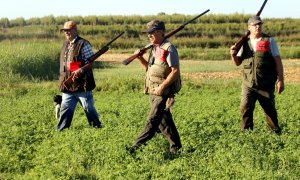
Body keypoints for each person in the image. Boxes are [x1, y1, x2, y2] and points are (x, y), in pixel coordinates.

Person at [128, 20, 182, 153]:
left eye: (151, 33)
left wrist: (162, 88)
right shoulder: (154, 48)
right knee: (164, 121)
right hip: (153, 90)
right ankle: (176, 148)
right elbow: (150, 68)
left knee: (152, 121)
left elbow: (175, 71)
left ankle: (135, 147)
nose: (149, 35)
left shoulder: (169, 48)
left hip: (161, 91)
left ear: (160, 32)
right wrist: (140, 58)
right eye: (148, 33)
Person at [230, 16, 284, 134]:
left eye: (259, 24)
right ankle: (247, 134)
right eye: (255, 25)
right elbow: (237, 63)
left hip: (265, 84)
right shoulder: (244, 42)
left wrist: (281, 80)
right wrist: (233, 54)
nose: (258, 26)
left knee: (269, 111)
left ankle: (275, 134)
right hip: (248, 84)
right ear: (249, 27)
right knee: (245, 107)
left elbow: (278, 60)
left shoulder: (269, 40)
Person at [56, 20, 102, 131]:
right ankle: (61, 132)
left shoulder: (83, 44)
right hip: (68, 84)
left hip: (82, 85)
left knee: (88, 108)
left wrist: (81, 70)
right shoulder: (65, 44)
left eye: (69, 30)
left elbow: (90, 63)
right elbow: (67, 64)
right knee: (65, 110)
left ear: (75, 30)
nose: (67, 33)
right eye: (65, 31)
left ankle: (98, 129)